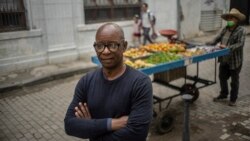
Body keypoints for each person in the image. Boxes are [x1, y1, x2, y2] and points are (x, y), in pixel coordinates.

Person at [64, 23, 153, 141]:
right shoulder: (86, 81)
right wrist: (112, 123)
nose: (105, 51)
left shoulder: (140, 83)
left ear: (124, 46)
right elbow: (69, 125)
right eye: (100, 46)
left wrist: (91, 128)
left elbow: (137, 134)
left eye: (112, 45)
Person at [206, 8, 246, 106]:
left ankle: (233, 99)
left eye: (231, 18)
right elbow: (217, 38)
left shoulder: (241, 30)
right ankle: (223, 94)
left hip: (234, 60)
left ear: (236, 19)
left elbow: (240, 44)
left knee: (234, 81)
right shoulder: (225, 29)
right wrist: (208, 44)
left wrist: (228, 47)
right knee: (222, 77)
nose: (229, 20)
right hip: (224, 58)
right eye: (228, 18)